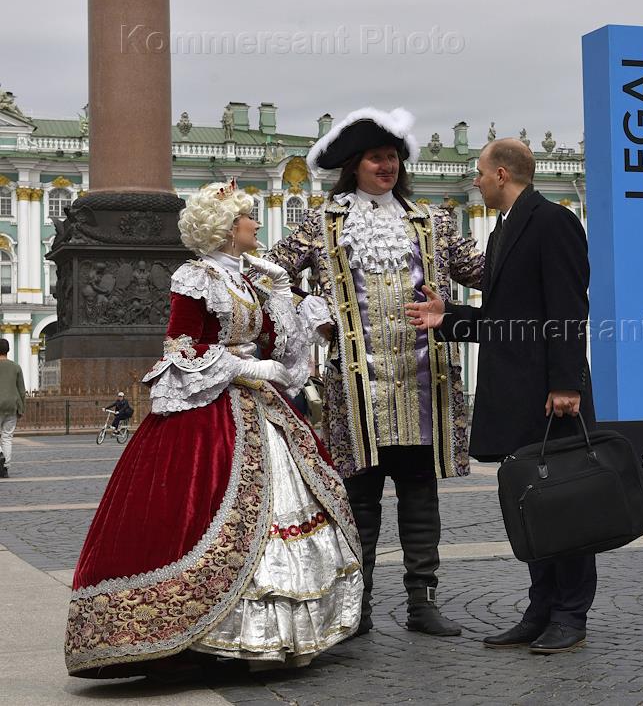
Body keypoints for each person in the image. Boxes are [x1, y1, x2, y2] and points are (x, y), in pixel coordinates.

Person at [66, 181, 362, 678]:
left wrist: (283, 297)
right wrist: (247, 367)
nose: (256, 224)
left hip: (261, 406)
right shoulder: (194, 277)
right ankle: (203, 636)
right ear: (227, 229)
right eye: (248, 218)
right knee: (202, 511)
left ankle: (269, 636)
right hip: (214, 407)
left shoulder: (251, 280)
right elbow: (181, 347)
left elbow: (283, 351)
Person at [266, 107, 485, 638]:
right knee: (359, 501)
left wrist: (533, 235)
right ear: (353, 166)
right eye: (375, 158)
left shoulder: (431, 222)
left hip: (423, 383)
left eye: (392, 157)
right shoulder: (321, 225)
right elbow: (269, 274)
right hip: (354, 389)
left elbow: (485, 271)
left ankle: (422, 603)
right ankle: (356, 607)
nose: (386, 166)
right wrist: (308, 311)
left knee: (419, 495)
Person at [406, 138, 596, 655]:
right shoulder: (503, 230)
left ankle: (570, 614)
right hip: (516, 394)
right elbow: (503, 321)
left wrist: (566, 382)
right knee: (533, 503)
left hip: (551, 395)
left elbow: (568, 308)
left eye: (480, 172)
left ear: (503, 175)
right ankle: (541, 609)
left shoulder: (554, 222)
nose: (476, 180)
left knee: (566, 505)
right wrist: (449, 318)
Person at [0, 338, 24, 478]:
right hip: (11, 406)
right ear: (8, 350)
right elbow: (22, 391)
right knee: (7, 437)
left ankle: (0, 455)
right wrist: (21, 409)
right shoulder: (16, 367)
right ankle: (5, 467)